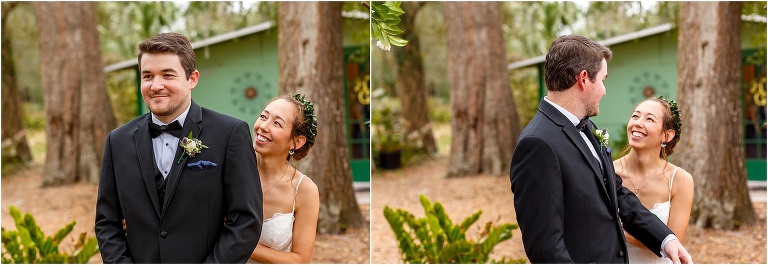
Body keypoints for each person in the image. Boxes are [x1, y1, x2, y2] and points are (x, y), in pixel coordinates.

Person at [509, 34, 693, 264]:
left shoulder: (588, 127)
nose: (604, 90)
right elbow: (546, 249)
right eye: (603, 80)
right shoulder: (537, 144)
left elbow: (616, 192)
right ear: (583, 79)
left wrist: (666, 239)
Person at [95, 32, 262, 263]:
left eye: (168, 75)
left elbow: (246, 221)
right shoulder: (117, 141)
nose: (156, 86)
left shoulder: (230, 134)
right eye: (147, 76)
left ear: (192, 79)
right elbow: (106, 222)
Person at [613, 97, 694, 263]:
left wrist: (614, 230)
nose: (638, 123)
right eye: (635, 116)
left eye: (649, 119)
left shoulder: (680, 180)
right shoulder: (608, 171)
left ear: (667, 135)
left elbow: (674, 243)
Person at [247, 94, 320, 263]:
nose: (263, 126)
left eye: (277, 123)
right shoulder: (232, 167)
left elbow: (301, 260)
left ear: (297, 142)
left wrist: (244, 244)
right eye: (263, 116)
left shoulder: (304, 190)